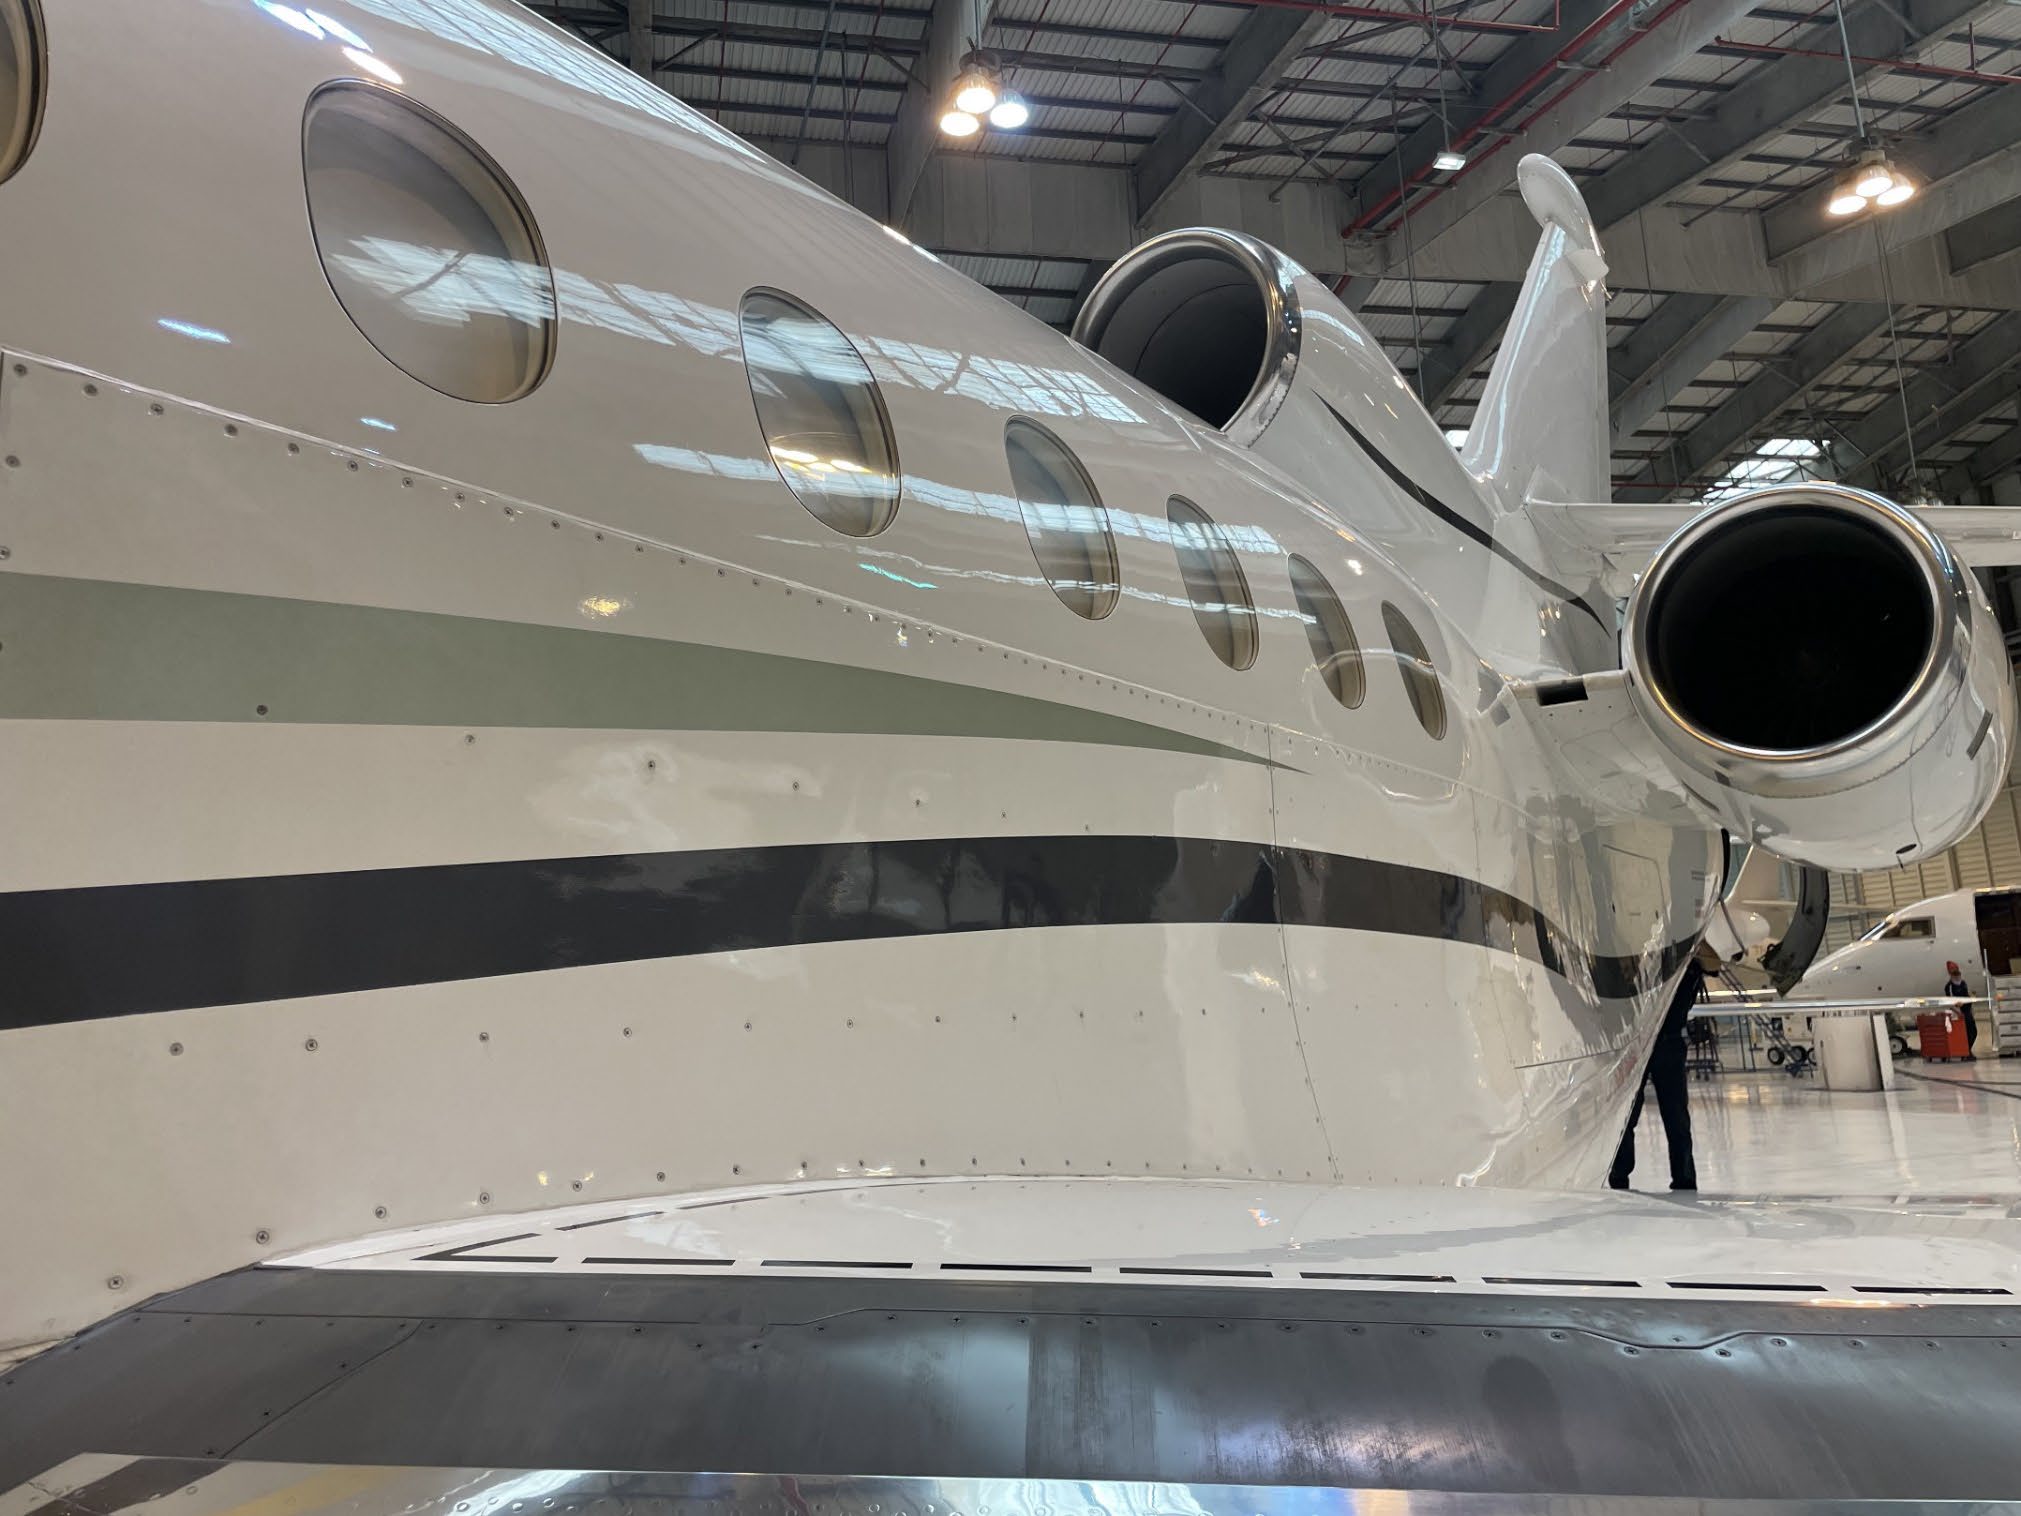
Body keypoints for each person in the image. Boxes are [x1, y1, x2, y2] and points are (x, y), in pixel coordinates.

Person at [1609, 949, 1705, 1192]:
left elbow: (1712, 964)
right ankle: (1619, 1176)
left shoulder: (1686, 962)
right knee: (1628, 1116)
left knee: (1676, 1116)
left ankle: (1684, 1178)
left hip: (1668, 1044)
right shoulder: (1639, 961)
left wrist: (1695, 944)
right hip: (1637, 1044)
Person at [1944, 960, 1977, 1060]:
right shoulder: (1949, 986)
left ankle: (1967, 1051)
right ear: (1950, 974)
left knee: (1973, 1032)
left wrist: (1971, 997)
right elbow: (1951, 1002)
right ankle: (1966, 1053)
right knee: (1966, 1034)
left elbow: (1966, 996)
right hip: (1960, 1013)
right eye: (1954, 973)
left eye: (1958, 973)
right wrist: (1958, 1011)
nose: (1957, 976)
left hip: (1968, 1012)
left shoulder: (1963, 983)